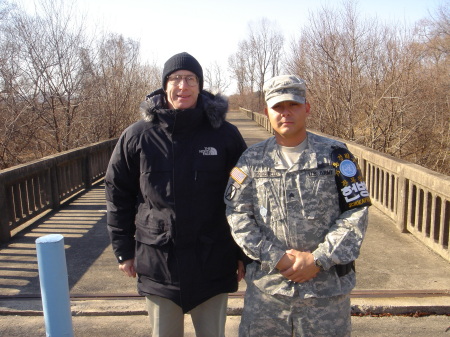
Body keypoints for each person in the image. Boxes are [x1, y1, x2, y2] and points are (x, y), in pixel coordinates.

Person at [105, 52, 247, 337]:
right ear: (164, 85)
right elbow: (117, 192)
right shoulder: (137, 136)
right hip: (158, 262)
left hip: (213, 261)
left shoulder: (225, 136)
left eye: (190, 79)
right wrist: (123, 249)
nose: (183, 86)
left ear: (200, 85)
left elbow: (246, 194)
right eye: (176, 79)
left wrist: (242, 253)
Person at [224, 74, 371, 337]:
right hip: (268, 296)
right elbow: (237, 213)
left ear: (307, 108)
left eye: (293, 105)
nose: (286, 113)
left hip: (325, 295)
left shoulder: (336, 155)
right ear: (267, 112)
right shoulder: (251, 160)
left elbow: (356, 211)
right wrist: (276, 258)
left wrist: (318, 259)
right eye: (278, 107)